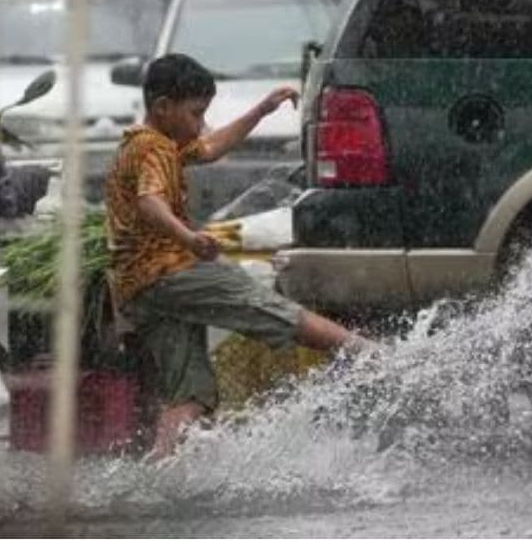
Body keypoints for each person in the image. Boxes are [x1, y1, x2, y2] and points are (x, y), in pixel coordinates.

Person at [104, 53, 373, 457]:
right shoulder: (154, 150)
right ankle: (370, 355)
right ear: (162, 107)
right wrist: (189, 238)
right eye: (196, 114)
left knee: (189, 394)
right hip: (168, 272)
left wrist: (261, 110)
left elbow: (211, 148)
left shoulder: (153, 142)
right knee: (258, 303)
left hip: (138, 289)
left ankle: (155, 473)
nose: (200, 125)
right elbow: (150, 201)